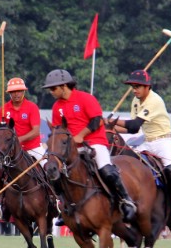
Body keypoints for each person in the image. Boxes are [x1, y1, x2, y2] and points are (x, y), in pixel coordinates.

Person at [44, 68, 137, 221]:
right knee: (53, 170)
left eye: (53, 88)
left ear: (64, 86)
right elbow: (57, 129)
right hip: (70, 148)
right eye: (50, 89)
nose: (51, 92)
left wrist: (81, 135)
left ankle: (126, 200)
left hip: (94, 142)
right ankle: (65, 205)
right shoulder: (56, 107)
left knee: (106, 169)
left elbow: (97, 120)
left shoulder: (85, 98)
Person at [105, 69, 171, 225]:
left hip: (164, 141)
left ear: (147, 87)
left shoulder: (154, 100)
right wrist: (109, 128)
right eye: (133, 86)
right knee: (130, 164)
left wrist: (112, 121)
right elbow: (133, 130)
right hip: (147, 141)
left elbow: (135, 123)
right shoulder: (135, 101)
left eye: (138, 86)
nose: (135, 89)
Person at [0, 77, 45, 161]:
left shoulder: (32, 107)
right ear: (9, 93)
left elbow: (36, 132)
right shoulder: (3, 109)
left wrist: (19, 139)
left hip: (33, 148)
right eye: (13, 91)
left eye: (19, 91)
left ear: (23, 91)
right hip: (12, 150)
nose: (16, 94)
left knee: (47, 167)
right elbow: (1, 132)